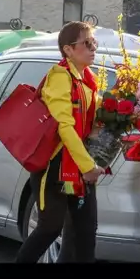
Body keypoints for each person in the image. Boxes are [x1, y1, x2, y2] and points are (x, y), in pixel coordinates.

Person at [14, 21, 105, 263]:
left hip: (80, 165)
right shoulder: (59, 77)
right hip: (55, 166)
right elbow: (64, 126)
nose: (93, 47)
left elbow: (92, 123)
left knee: (86, 233)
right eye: (87, 43)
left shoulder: (89, 80)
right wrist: (88, 166)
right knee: (49, 228)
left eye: (94, 42)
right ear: (68, 50)